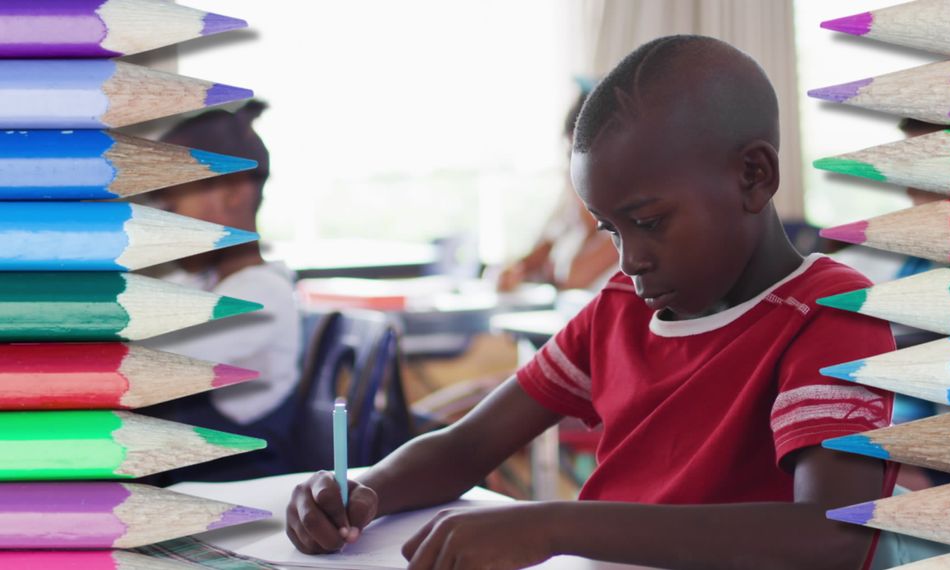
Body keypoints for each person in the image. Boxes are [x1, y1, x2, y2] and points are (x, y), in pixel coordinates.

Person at [288, 36, 896, 569]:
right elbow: (468, 447)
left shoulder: (829, 314)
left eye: (650, 221)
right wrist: (366, 490)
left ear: (754, 176)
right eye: (610, 229)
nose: (629, 259)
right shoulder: (619, 310)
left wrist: (552, 525)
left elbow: (833, 534)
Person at [141, 101, 302, 480]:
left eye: (172, 196)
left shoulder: (260, 295)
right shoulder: (196, 284)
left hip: (235, 489)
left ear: (233, 191)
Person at [496, 92, 619, 293]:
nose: (572, 167)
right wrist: (514, 271)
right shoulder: (568, 211)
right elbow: (532, 260)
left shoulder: (621, 219)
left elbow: (575, 277)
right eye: (569, 153)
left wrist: (587, 217)